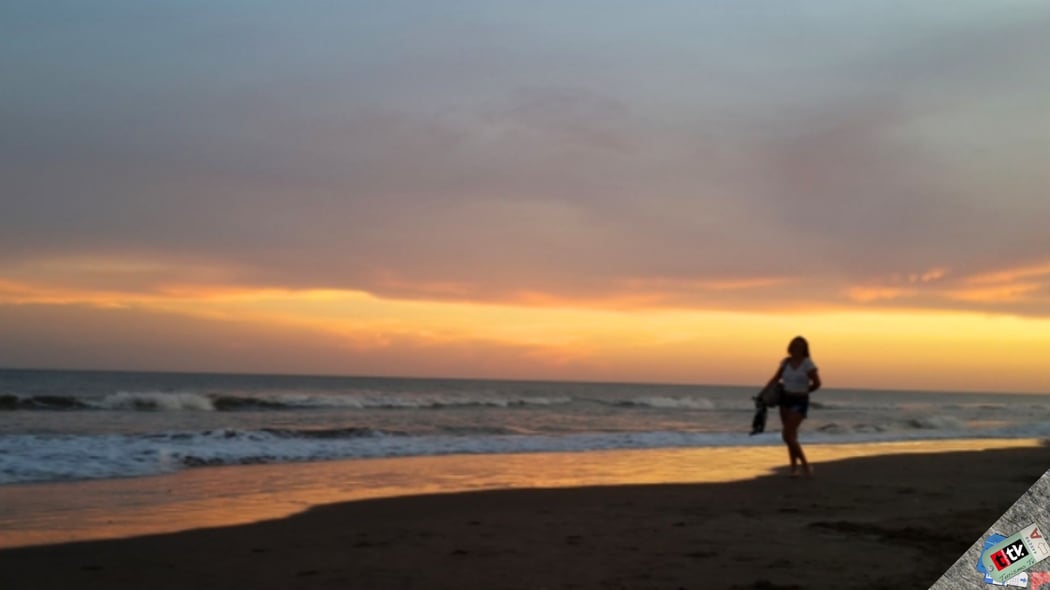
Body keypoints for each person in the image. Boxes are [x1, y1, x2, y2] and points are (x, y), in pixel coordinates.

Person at [765, 336, 821, 477]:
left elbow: (817, 383)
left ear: (804, 348)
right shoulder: (786, 362)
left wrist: (805, 391)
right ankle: (794, 468)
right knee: (791, 435)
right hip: (785, 400)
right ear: (790, 347)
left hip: (799, 401)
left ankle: (806, 466)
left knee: (787, 435)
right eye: (795, 345)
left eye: (800, 346)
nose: (797, 348)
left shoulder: (807, 363)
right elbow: (775, 378)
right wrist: (764, 393)